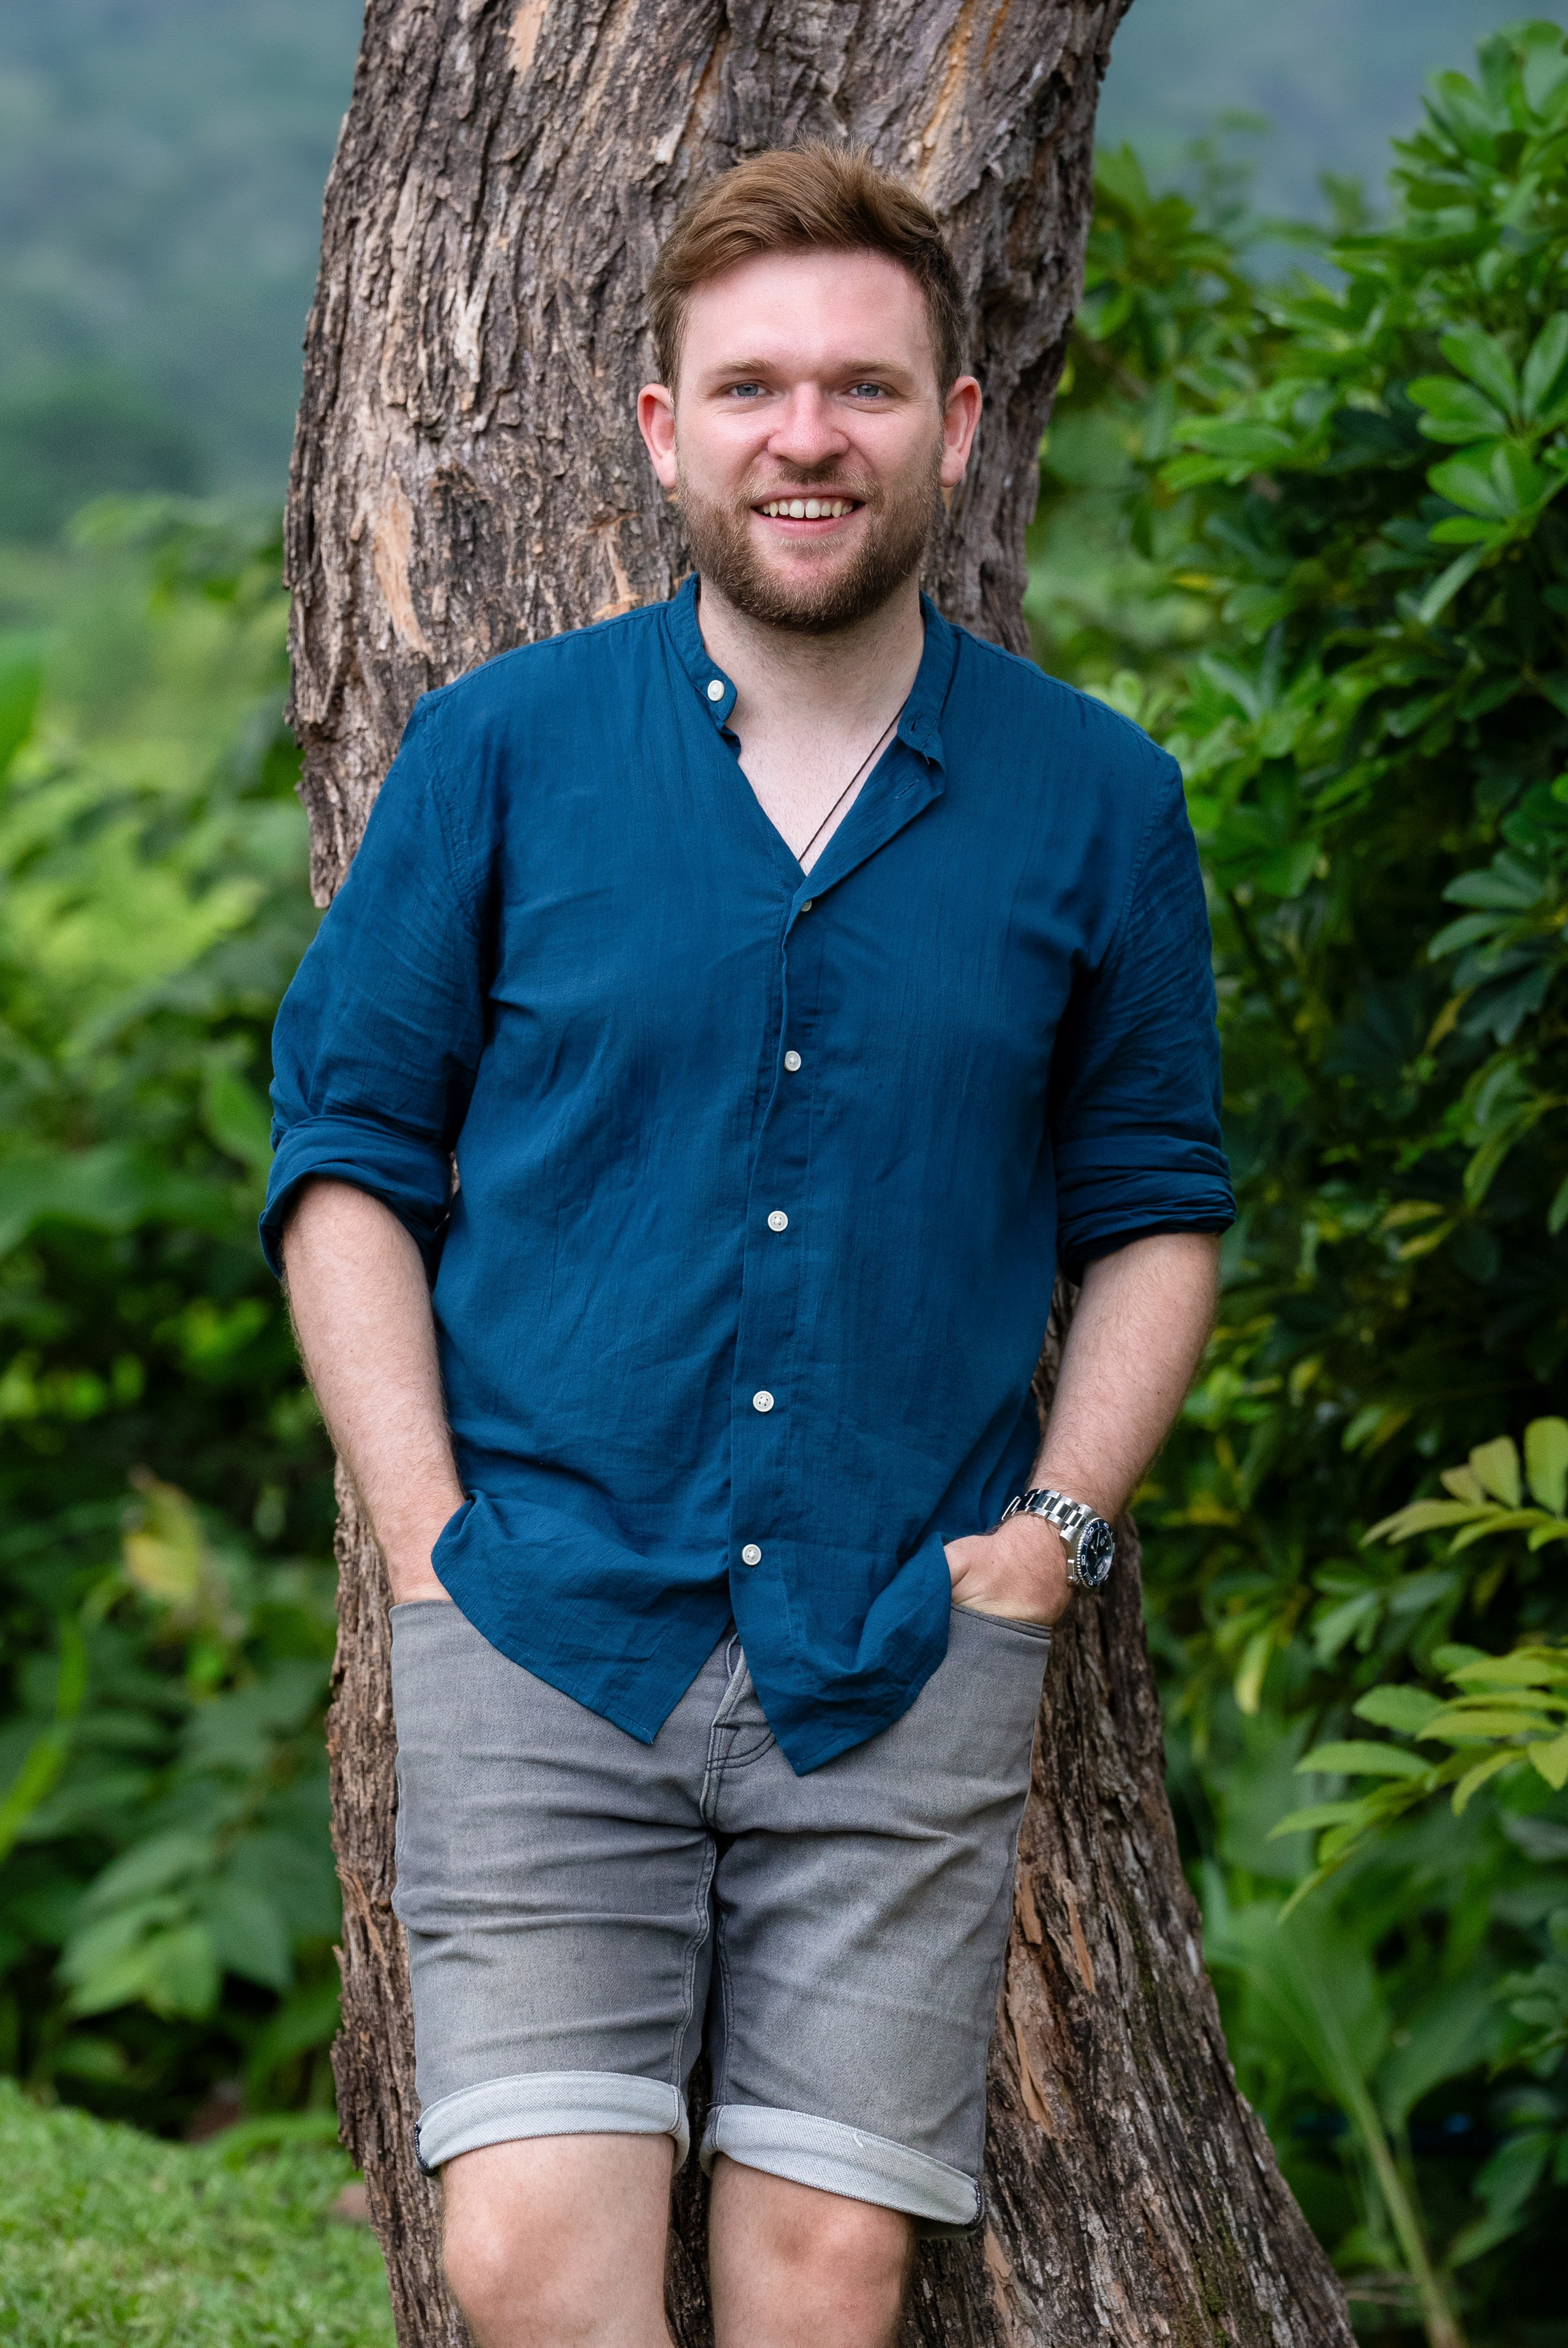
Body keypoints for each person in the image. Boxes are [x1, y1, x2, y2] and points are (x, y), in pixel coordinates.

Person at [263, 143, 1234, 2348]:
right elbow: (346, 1168)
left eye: (868, 390)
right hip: (539, 1618)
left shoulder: (1098, 799)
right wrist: (426, 1537)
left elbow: (1159, 1210)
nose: (810, 437)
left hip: (907, 1636)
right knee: (524, 2259)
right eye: (756, 388)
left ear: (956, 427)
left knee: (825, 2276)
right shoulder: (500, 751)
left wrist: (1050, 1546)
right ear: (666, 431)